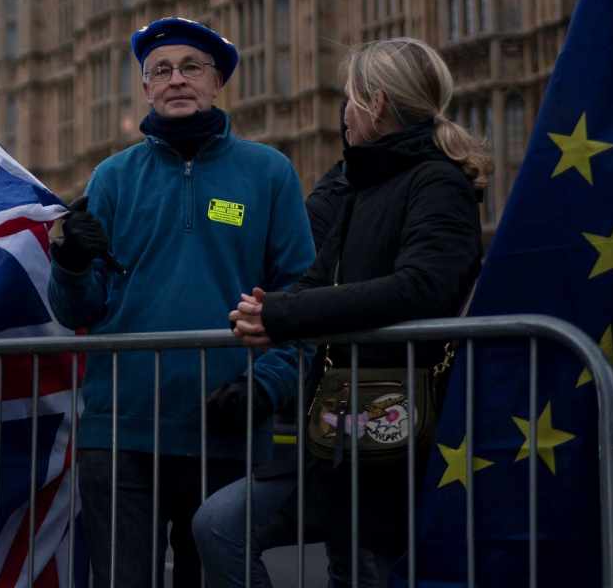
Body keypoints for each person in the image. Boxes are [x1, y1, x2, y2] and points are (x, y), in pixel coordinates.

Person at [193, 36, 489, 587]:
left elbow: (422, 287)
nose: (342, 113)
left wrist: (285, 316)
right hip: (333, 434)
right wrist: (266, 313)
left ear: (375, 104)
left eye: (349, 99)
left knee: (362, 568)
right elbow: (309, 268)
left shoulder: (438, 183)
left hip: (395, 440)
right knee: (220, 524)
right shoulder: (355, 182)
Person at [47, 16, 315, 588]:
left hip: (226, 427)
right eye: (160, 71)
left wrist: (263, 388)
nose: (175, 80)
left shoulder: (268, 173)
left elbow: (302, 299)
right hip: (121, 431)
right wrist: (69, 266)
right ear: (145, 88)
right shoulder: (113, 177)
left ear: (217, 81)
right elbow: (79, 310)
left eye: (191, 67)